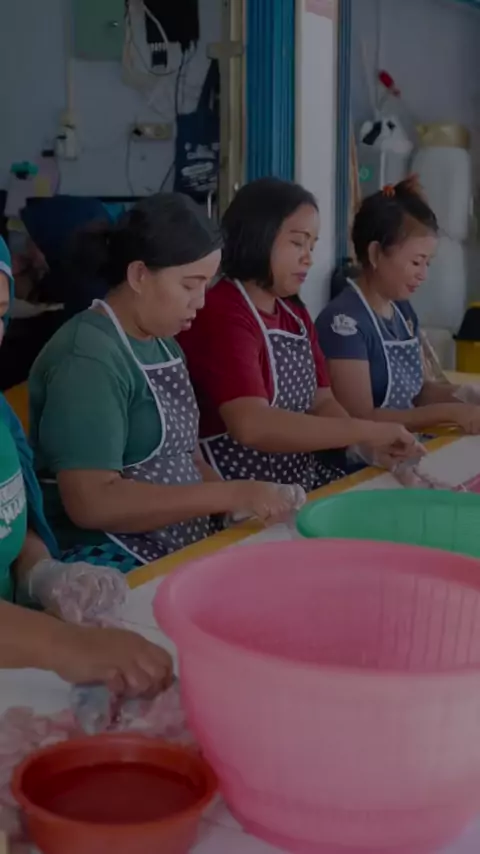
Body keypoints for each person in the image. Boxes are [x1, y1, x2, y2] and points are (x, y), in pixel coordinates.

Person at [29, 193, 298, 571]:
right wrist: (232, 493)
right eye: (189, 285)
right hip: (108, 556)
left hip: (174, 541)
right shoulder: (87, 357)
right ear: (139, 275)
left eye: (206, 285)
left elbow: (189, 458)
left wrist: (235, 506)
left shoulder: (164, 344)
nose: (200, 301)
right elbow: (92, 502)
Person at [0, 236, 172, 695]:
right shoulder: (86, 354)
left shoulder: (0, 415)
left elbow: (13, 518)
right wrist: (63, 645)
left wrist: (42, 574)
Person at [178, 177, 419, 491]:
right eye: (297, 243)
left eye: (312, 245)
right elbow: (251, 425)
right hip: (239, 494)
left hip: (299, 483)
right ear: (258, 235)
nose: (309, 258)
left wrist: (363, 446)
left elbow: (322, 401)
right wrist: (366, 431)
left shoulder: (295, 313)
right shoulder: (222, 312)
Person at [315, 178, 480, 433]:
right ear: (375, 254)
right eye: (416, 262)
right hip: (361, 454)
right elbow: (360, 418)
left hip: (403, 444)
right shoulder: (342, 323)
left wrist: (464, 395)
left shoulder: (403, 311)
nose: (423, 275)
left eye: (427, 263)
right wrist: (450, 413)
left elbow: (418, 393)